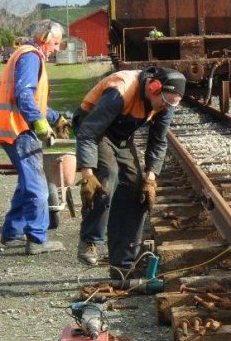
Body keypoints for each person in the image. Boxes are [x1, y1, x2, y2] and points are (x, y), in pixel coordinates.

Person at [74, 66, 186, 275]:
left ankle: (123, 265)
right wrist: (87, 174)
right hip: (94, 127)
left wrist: (151, 177)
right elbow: (88, 133)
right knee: (107, 177)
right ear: (154, 88)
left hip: (121, 136)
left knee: (137, 191)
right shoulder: (121, 90)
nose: (166, 107)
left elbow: (158, 141)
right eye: (165, 101)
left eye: (172, 104)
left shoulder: (167, 103)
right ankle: (89, 239)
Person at [0, 19, 69, 254]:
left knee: (26, 183)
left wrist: (56, 118)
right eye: (55, 43)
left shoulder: (25, 55)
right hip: (19, 130)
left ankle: (13, 232)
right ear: (44, 39)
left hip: (12, 128)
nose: (56, 49)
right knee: (37, 186)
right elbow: (24, 96)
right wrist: (40, 125)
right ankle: (36, 239)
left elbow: (34, 102)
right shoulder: (31, 57)